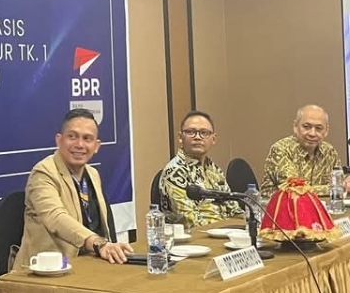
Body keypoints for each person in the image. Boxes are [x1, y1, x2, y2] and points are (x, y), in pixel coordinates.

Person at [12, 108, 130, 271]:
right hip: (47, 272)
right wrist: (98, 243)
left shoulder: (93, 174)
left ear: (96, 146)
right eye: (72, 137)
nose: (79, 145)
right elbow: (55, 217)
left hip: (89, 265)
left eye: (87, 138)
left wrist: (111, 247)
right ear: (59, 140)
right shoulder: (43, 173)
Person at [158, 109, 243, 226]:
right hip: (196, 235)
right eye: (190, 132)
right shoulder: (175, 171)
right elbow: (189, 221)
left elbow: (234, 210)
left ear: (213, 139)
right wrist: (227, 226)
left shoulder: (214, 169)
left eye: (204, 133)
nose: (197, 137)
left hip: (226, 230)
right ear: (180, 137)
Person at [260, 104, 350, 197]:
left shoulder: (329, 152)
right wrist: (342, 187)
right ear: (295, 127)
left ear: (326, 131)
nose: (312, 133)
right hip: (279, 209)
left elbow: (338, 185)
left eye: (319, 128)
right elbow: (295, 189)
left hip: (319, 208)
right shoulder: (281, 149)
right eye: (306, 127)